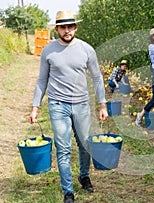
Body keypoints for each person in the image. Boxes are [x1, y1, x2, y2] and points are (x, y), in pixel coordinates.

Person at [28, 10, 108, 203]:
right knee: (63, 149)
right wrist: (35, 107)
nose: (67, 30)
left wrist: (102, 104)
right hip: (57, 105)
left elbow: (97, 78)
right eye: (63, 27)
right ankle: (68, 192)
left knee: (84, 144)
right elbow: (42, 80)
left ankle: (84, 175)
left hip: (81, 104)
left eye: (70, 26)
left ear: (75, 27)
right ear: (57, 29)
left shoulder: (87, 49)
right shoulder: (48, 50)